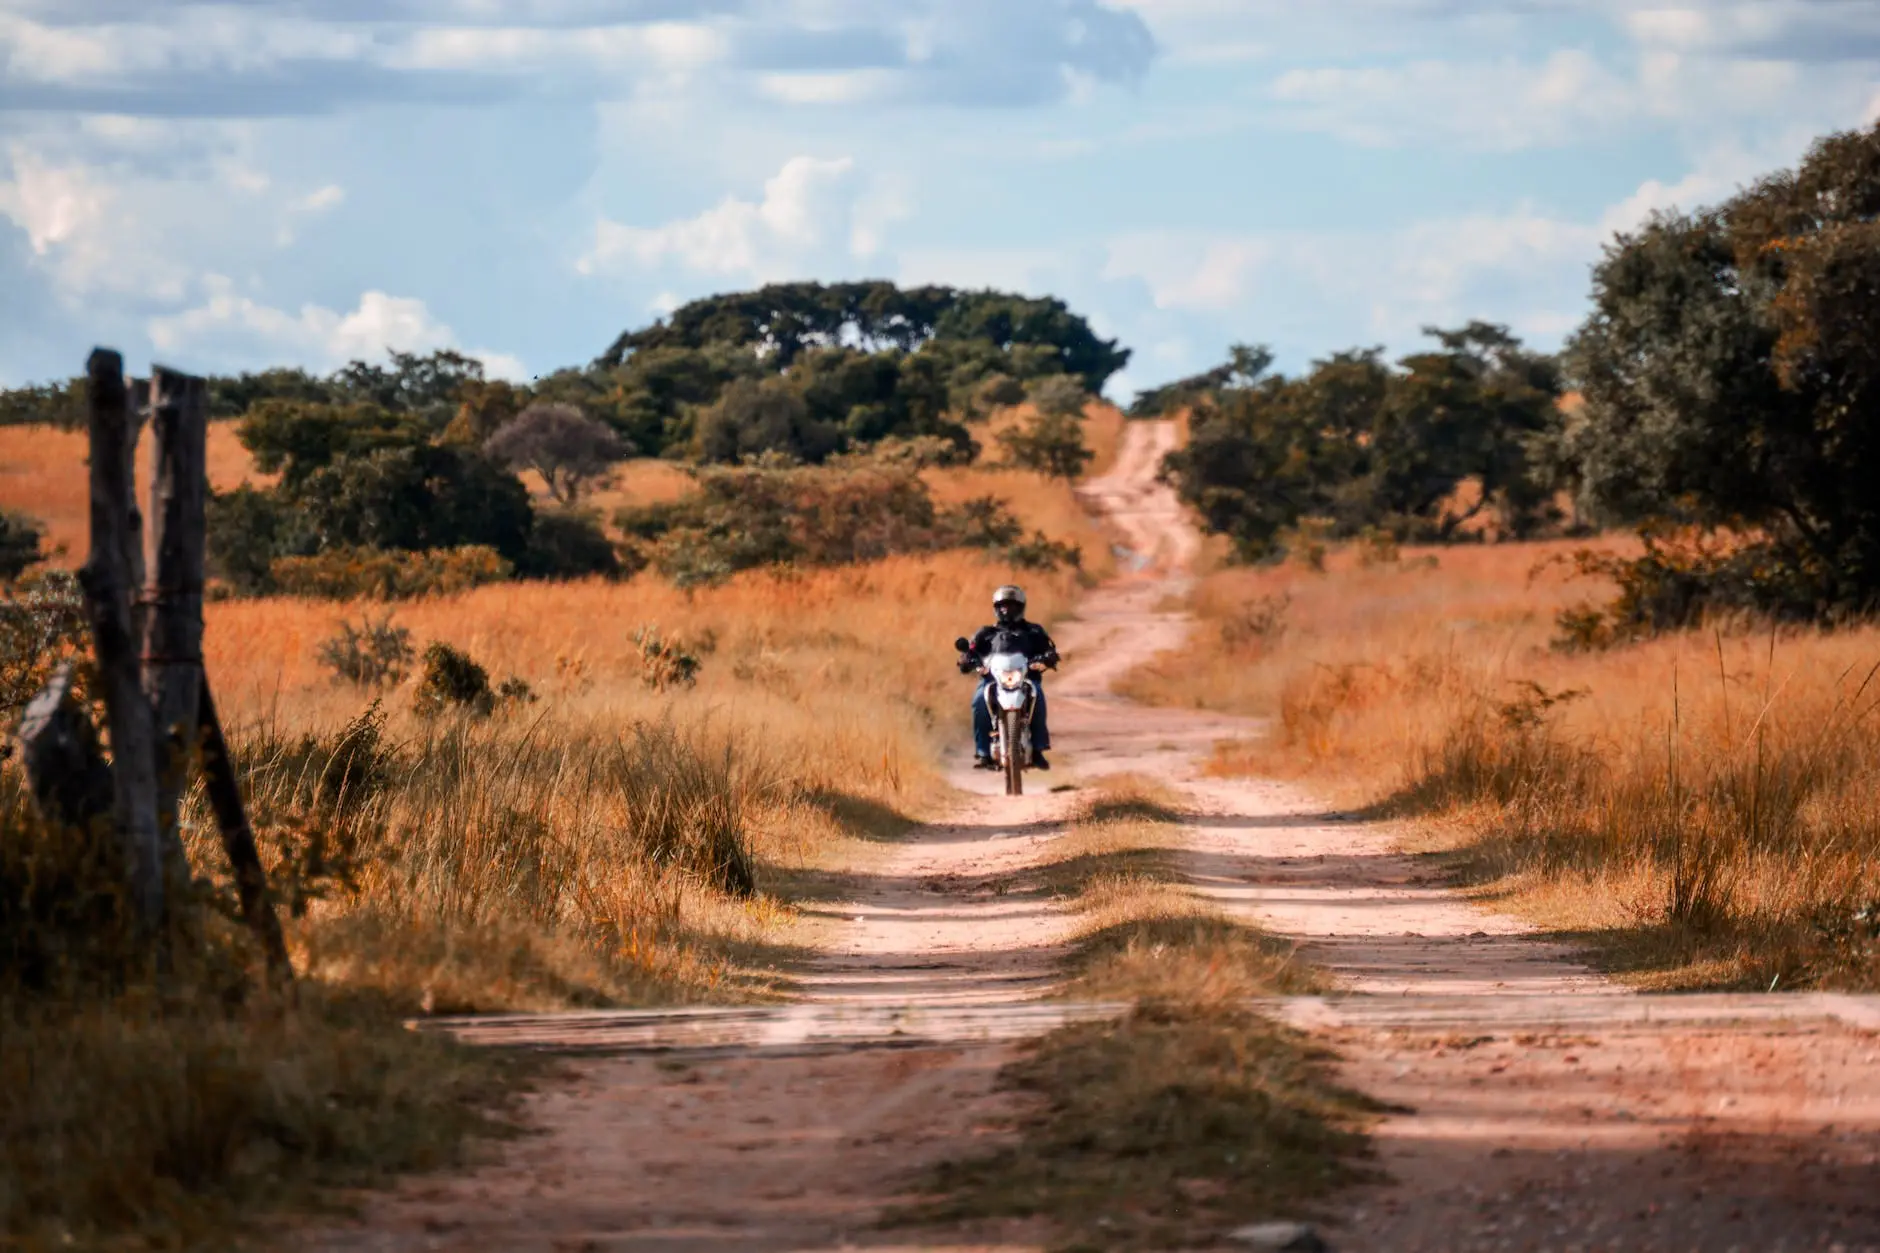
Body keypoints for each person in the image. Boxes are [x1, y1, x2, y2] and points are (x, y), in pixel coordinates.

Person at [958, 584, 1059, 770]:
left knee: (1037, 695)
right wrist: (967, 660)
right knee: (979, 701)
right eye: (1003, 606)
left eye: (1011, 605)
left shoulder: (1034, 631)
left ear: (1020, 607)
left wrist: (1048, 657)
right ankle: (983, 752)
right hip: (992, 680)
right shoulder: (986, 633)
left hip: (1026, 678)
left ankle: (1038, 749)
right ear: (996, 608)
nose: (1007, 610)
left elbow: (1048, 649)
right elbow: (970, 651)